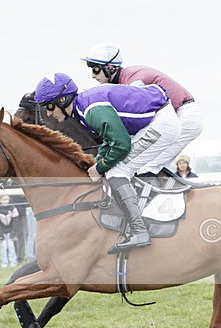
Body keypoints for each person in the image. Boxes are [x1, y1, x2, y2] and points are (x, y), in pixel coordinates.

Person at [34, 72, 180, 252]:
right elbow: (108, 142)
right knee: (115, 168)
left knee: (116, 171)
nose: (49, 113)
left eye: (49, 106)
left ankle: (139, 230)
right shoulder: (82, 108)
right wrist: (97, 162)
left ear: (63, 99)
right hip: (157, 119)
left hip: (161, 124)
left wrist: (101, 167)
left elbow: (121, 145)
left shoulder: (90, 110)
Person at [81, 43, 204, 176]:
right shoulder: (125, 78)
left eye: (96, 69)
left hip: (184, 115)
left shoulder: (133, 81)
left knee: (140, 165)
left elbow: (139, 118)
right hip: (179, 114)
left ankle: (143, 196)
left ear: (110, 68)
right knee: (138, 162)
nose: (93, 76)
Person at [0, 194, 19, 268]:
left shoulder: (13, 208)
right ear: (0, 201)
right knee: (4, 247)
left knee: (11, 246)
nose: (5, 201)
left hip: (11, 230)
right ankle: (4, 263)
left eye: (7, 199)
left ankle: (13, 262)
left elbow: (15, 222)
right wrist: (1, 235)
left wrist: (12, 234)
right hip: (2, 231)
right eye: (4, 200)